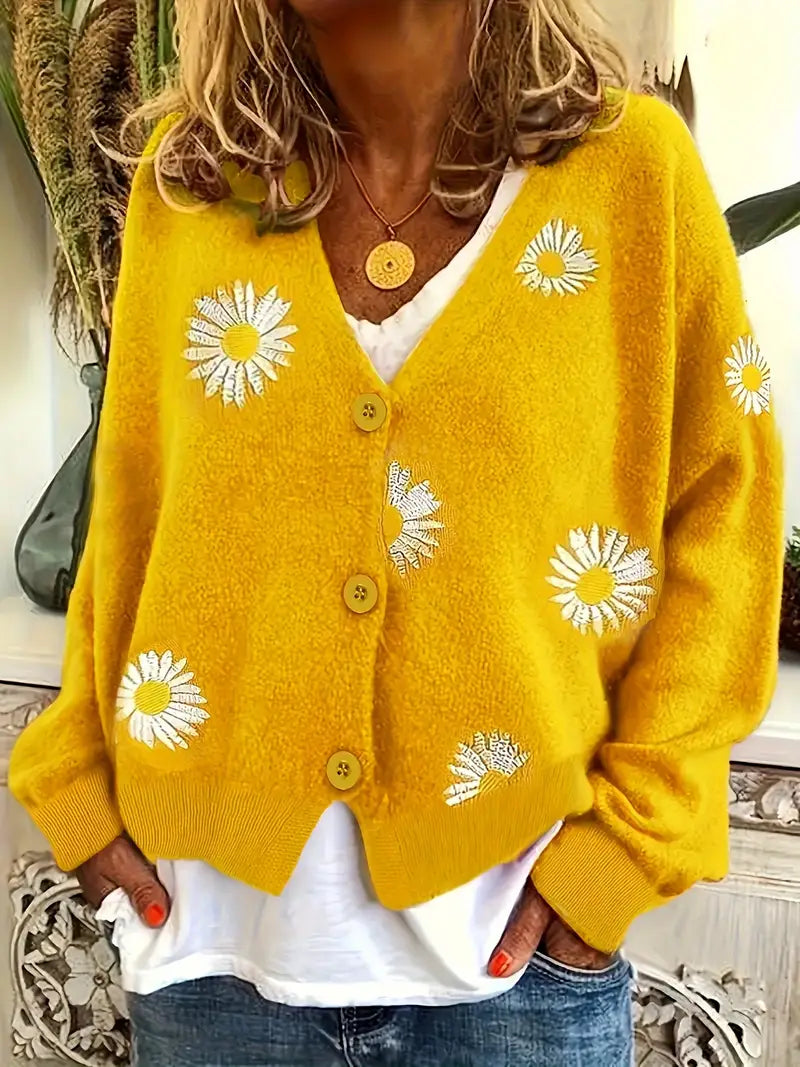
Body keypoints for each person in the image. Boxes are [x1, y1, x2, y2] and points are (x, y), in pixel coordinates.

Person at [9, 1, 784, 1065]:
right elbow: (135, 508)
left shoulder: (630, 176)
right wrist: (77, 782)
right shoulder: (189, 185)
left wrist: (622, 848)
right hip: (211, 966)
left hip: (516, 985)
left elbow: (726, 518)